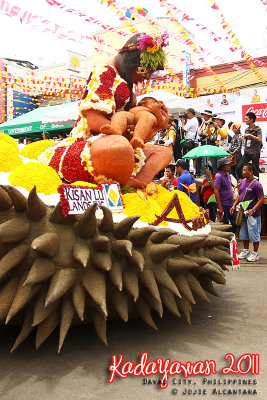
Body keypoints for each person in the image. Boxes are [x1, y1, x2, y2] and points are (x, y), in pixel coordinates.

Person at [68, 28, 172, 188]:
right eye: (145, 70)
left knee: (164, 153)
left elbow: (136, 125)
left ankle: (138, 183)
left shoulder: (129, 86)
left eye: (151, 72)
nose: (147, 77)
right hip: (92, 142)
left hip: (121, 145)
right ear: (133, 62)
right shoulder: (103, 73)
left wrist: (157, 120)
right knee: (118, 149)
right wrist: (121, 134)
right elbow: (95, 122)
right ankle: (124, 176)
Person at [100, 96, 169, 149]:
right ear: (142, 103)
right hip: (131, 117)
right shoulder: (137, 107)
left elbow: (161, 123)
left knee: (147, 117)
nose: (154, 106)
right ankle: (116, 128)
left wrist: (157, 112)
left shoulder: (155, 113)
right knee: (121, 114)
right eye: (153, 103)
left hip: (145, 118)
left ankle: (138, 138)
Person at [230, 164, 264, 262]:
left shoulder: (257, 184)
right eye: (243, 170)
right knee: (244, 233)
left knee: (254, 233)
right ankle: (246, 250)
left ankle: (255, 252)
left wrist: (253, 209)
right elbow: (239, 195)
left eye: (245, 170)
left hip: (253, 214)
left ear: (251, 171)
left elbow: (261, 199)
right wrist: (234, 205)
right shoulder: (243, 182)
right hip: (243, 213)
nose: (243, 171)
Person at [236, 112, 262, 180]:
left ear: (251, 120)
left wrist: (250, 135)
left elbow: (260, 139)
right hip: (247, 152)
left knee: (255, 170)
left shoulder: (257, 129)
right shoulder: (246, 130)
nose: (245, 120)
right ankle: (242, 181)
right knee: (239, 167)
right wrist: (241, 135)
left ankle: (256, 185)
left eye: (247, 119)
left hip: (255, 152)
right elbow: (245, 140)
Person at [214, 157, 237, 233]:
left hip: (230, 204)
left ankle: (231, 238)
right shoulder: (219, 176)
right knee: (225, 224)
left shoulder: (227, 175)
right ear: (222, 166)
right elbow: (216, 192)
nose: (228, 166)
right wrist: (220, 207)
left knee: (235, 222)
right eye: (226, 165)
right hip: (224, 204)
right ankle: (226, 243)